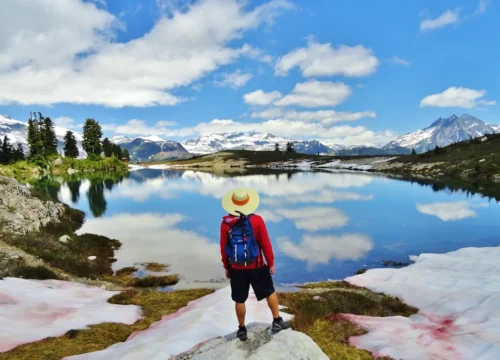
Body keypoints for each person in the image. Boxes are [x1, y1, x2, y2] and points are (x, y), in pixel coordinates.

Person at [220, 187, 289, 342]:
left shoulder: (225, 224)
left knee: (239, 299)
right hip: (257, 265)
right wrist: (270, 263)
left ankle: (242, 329)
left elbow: (224, 248)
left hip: (237, 268)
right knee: (269, 291)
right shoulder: (257, 220)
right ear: (249, 203)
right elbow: (265, 244)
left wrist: (227, 267)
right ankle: (277, 321)